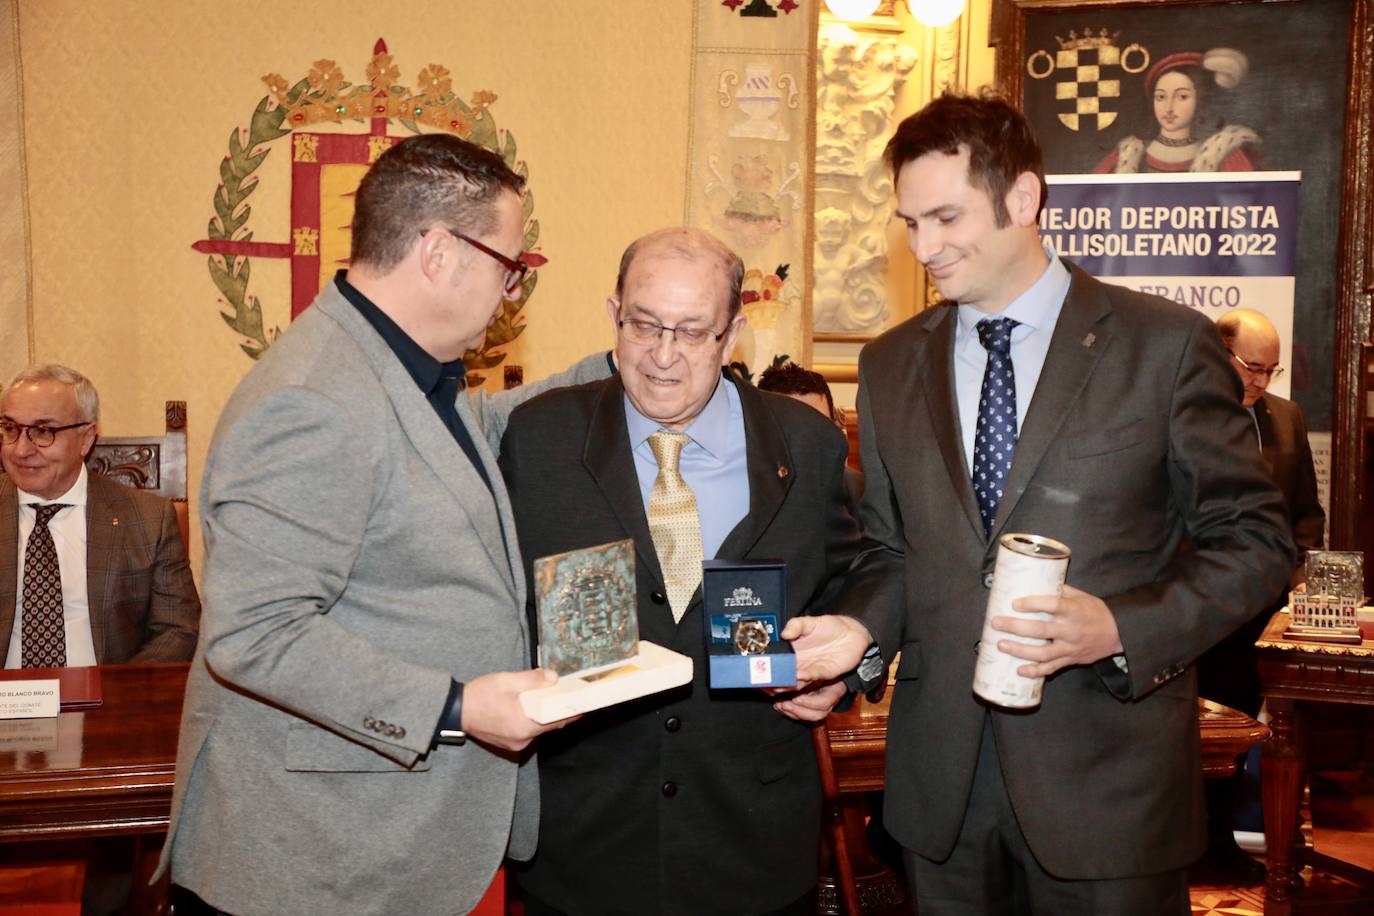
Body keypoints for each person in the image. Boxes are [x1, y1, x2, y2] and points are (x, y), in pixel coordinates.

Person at [786, 92, 1295, 915]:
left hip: (1109, 790)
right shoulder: (887, 366)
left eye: (946, 217)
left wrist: (1121, 628)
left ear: (1024, 199)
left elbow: (1258, 543)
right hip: (938, 792)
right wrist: (859, 631)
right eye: (910, 223)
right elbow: (888, 551)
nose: (925, 247)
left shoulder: (1164, 347)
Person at [156, 134, 612, 916]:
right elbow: (256, 633)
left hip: (377, 843)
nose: (511, 293)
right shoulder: (313, 400)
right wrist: (458, 707)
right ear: (440, 252)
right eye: (510, 267)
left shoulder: (391, 362)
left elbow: (473, 433)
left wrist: (631, 354)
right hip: (318, 859)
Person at [498, 227, 862, 916]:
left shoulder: (807, 444)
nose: (663, 357)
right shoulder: (541, 438)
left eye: (693, 333)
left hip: (753, 850)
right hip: (584, 852)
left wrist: (845, 660)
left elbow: (863, 570)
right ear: (614, 315)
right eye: (644, 325)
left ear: (732, 337)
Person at [1197, 308, 1324, 882]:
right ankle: (1182, 849)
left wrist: (1292, 582)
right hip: (1194, 614)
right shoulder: (1183, 416)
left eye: (1270, 370)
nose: (1260, 382)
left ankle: (1222, 845)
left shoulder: (1287, 419)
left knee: (1242, 735)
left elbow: (1306, 515)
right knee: (1188, 741)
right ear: (1219, 356)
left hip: (1260, 616)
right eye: (1252, 367)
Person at [0, 364, 199, 667]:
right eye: (11, 429)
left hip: (107, 702)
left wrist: (117, 693)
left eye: (43, 431)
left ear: (86, 438)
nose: (21, 450)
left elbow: (179, 629)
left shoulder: (148, 518)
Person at [1094, 48, 1260, 174]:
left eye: (1181, 97)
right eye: (1160, 97)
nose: (1169, 108)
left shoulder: (1224, 156)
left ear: (1200, 100)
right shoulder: (1125, 157)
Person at [757, 359, 864, 513]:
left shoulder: (858, 491)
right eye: (790, 426)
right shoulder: (740, 489)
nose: (805, 439)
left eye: (819, 425)